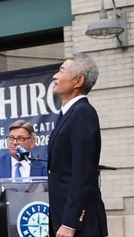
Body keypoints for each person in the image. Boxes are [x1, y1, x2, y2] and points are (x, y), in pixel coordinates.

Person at [48, 53, 108, 237]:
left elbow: (83, 173)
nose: (55, 76)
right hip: (62, 219)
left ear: (78, 81)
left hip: (78, 225)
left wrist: (70, 222)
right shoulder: (68, 114)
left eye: (61, 71)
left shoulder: (83, 113)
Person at [0, 119, 48, 237]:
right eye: (11, 138)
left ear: (32, 142)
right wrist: (4, 198)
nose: (14, 142)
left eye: (20, 138)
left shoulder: (43, 167)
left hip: (32, 226)